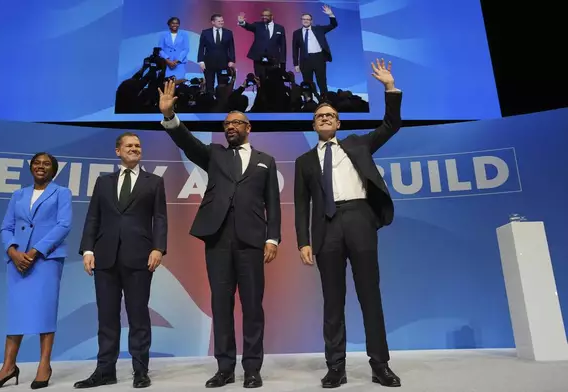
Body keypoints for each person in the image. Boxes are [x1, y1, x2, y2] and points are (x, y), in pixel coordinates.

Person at [158, 79, 281, 389]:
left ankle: (252, 368)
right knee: (221, 306)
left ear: (248, 127)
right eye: (226, 123)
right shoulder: (215, 154)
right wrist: (171, 117)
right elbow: (186, 142)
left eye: (236, 123)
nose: (230, 127)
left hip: (252, 241)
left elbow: (273, 206)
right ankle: (225, 368)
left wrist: (272, 238)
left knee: (253, 306)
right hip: (218, 240)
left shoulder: (266, 162)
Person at [293, 58, 403, 389]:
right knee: (332, 300)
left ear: (338, 123)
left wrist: (389, 88)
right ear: (314, 125)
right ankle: (335, 367)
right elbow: (301, 204)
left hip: (359, 219)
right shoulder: (304, 161)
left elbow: (390, 125)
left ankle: (380, 364)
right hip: (325, 227)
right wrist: (303, 240)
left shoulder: (357, 143)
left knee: (370, 295)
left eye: (329, 115)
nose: (324, 119)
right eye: (318, 116)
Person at [74, 133, 168, 389]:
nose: (134, 149)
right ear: (118, 151)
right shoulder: (103, 182)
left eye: (138, 145)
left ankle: (140, 370)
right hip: (105, 257)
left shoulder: (154, 182)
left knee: (138, 316)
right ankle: (105, 370)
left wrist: (159, 247)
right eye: (129, 145)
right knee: (106, 317)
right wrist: (87, 250)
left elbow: (160, 218)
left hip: (140, 257)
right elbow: (93, 217)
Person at [0, 152, 72, 390]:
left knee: (45, 310)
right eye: (37, 163)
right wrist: (12, 251)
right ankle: (8, 366)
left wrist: (35, 252)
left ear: (54, 169)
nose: (41, 167)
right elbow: (6, 226)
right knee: (16, 313)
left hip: (46, 258)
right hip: (17, 260)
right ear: (31, 167)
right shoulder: (18, 194)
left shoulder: (62, 193)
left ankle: (44, 365)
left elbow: (64, 225)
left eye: (46, 164)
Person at [292, 5, 338, 97]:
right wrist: (296, 64)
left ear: (311, 21)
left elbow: (333, 25)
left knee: (322, 81)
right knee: (307, 83)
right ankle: (309, 102)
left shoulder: (319, 29)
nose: (305, 20)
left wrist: (331, 14)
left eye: (308, 19)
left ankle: (325, 100)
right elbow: (295, 49)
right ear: (301, 20)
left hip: (319, 58)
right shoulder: (297, 33)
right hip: (305, 60)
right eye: (303, 19)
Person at [237, 8, 286, 81]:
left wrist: (282, 60)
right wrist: (242, 22)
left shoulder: (280, 28)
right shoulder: (257, 25)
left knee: (273, 80)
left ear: (272, 16)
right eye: (262, 15)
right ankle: (260, 92)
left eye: (266, 15)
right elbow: (248, 26)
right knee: (260, 79)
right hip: (258, 58)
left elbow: (283, 45)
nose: (264, 17)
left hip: (273, 59)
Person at [197, 13, 236, 94]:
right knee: (209, 85)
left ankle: (222, 103)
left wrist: (232, 60)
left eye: (222, 21)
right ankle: (210, 102)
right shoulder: (205, 33)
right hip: (208, 63)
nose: (222, 22)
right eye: (219, 21)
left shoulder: (228, 33)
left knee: (223, 85)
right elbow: (201, 48)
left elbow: (231, 48)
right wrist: (201, 61)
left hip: (224, 63)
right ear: (213, 22)